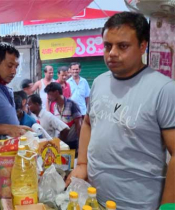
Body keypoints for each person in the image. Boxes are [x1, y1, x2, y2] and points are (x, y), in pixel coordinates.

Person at [67, 12, 175, 209]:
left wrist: (169, 206)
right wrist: (82, 163)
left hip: (139, 204)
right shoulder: (99, 82)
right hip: (94, 197)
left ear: (143, 46)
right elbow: (89, 123)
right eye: (107, 46)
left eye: (122, 46)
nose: (112, 53)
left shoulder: (164, 89)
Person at [0, 42, 32, 209]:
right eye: (10, 65)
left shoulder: (6, 88)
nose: (14, 71)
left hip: (10, 164)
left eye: (16, 66)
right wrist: (8, 128)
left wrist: (18, 129)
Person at [45, 82, 82, 151]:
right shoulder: (55, 107)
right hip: (61, 143)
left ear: (56, 92)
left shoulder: (72, 105)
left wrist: (81, 145)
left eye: (49, 94)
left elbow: (78, 126)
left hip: (72, 143)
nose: (48, 97)